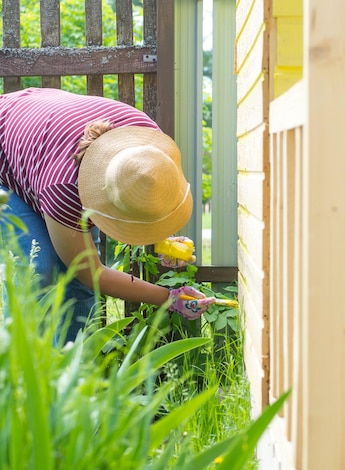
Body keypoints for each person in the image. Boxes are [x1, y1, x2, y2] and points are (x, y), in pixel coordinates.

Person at [0, 87, 213, 340]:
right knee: (40, 269)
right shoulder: (63, 188)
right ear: (98, 192)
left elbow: (142, 191)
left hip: (41, 129)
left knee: (75, 283)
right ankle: (23, 369)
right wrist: (169, 298)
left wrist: (162, 238)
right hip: (9, 150)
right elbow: (91, 272)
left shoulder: (149, 144)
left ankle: (75, 368)